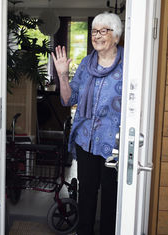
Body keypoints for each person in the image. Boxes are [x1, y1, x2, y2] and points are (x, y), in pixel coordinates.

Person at [52, 12, 123, 235]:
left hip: (114, 145)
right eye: (94, 31)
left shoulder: (129, 65)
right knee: (87, 196)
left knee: (111, 198)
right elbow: (67, 99)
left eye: (104, 30)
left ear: (116, 36)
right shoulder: (86, 63)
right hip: (86, 142)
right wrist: (63, 75)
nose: (97, 35)